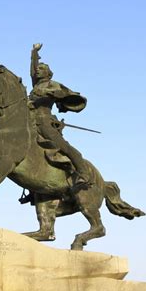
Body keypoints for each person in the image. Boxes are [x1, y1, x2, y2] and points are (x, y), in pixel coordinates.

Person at [28, 43, 91, 188]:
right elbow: (32, 70)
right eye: (37, 69)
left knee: (63, 147)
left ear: (49, 73)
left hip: (44, 122)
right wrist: (34, 53)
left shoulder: (52, 84)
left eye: (41, 69)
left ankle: (83, 172)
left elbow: (63, 93)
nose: (38, 71)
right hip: (29, 120)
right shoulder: (36, 85)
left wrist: (47, 93)